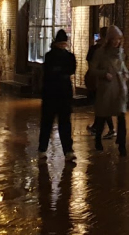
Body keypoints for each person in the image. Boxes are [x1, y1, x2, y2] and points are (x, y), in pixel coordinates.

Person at [38, 29, 77, 162]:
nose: (63, 46)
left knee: (63, 123)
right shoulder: (51, 56)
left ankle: (67, 150)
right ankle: (43, 149)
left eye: (64, 43)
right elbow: (52, 72)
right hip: (52, 94)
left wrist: (58, 71)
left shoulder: (67, 56)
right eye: (61, 43)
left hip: (61, 94)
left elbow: (70, 69)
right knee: (48, 122)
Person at [89, 25, 128, 156]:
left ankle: (122, 144)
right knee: (102, 115)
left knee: (121, 116)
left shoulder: (120, 52)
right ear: (109, 39)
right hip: (106, 88)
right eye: (114, 39)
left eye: (118, 39)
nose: (116, 42)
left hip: (119, 88)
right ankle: (98, 140)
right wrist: (104, 74)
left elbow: (122, 66)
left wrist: (126, 73)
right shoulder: (100, 53)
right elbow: (92, 70)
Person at [85, 29, 114, 137]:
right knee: (101, 105)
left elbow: (91, 66)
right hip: (105, 80)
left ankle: (105, 128)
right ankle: (99, 127)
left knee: (101, 105)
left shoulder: (95, 49)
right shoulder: (110, 50)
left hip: (98, 81)